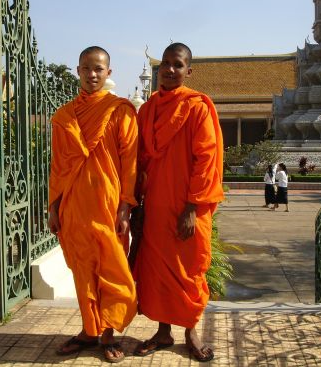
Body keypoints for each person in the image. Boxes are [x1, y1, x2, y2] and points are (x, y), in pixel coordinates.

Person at [132, 43, 224, 363]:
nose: (169, 69)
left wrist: (191, 207)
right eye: (166, 64)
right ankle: (162, 331)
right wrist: (135, 202)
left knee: (190, 270)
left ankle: (190, 332)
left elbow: (206, 159)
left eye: (178, 64)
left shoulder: (197, 107)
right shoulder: (147, 109)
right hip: (156, 202)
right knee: (157, 270)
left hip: (188, 206)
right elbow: (140, 160)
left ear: (188, 71)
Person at [48, 46, 138, 363]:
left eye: (99, 68)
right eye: (87, 68)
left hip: (110, 208)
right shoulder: (64, 117)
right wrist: (53, 208)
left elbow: (130, 164)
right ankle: (89, 331)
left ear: (108, 73)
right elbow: (58, 167)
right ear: (78, 71)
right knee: (83, 273)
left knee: (112, 273)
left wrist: (126, 207)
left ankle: (109, 333)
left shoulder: (120, 111)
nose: (93, 74)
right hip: (74, 208)